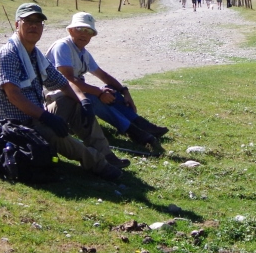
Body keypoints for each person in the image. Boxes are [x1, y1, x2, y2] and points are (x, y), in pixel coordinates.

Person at [0, 2, 127, 181]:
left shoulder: (35, 55)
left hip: (37, 117)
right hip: (18, 125)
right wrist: (47, 117)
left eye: (38, 22)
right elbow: (14, 95)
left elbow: (64, 83)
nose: (34, 26)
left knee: (74, 102)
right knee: (58, 134)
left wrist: (83, 101)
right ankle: (100, 164)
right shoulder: (8, 55)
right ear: (17, 24)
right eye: (28, 21)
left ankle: (106, 154)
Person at [46, 12, 169, 152]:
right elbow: (68, 80)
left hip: (74, 94)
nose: (84, 34)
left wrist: (124, 91)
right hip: (56, 98)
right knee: (94, 98)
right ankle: (136, 133)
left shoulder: (83, 53)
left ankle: (143, 126)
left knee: (110, 90)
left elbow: (103, 75)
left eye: (89, 31)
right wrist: (99, 93)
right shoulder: (63, 46)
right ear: (70, 30)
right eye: (80, 29)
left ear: (92, 35)